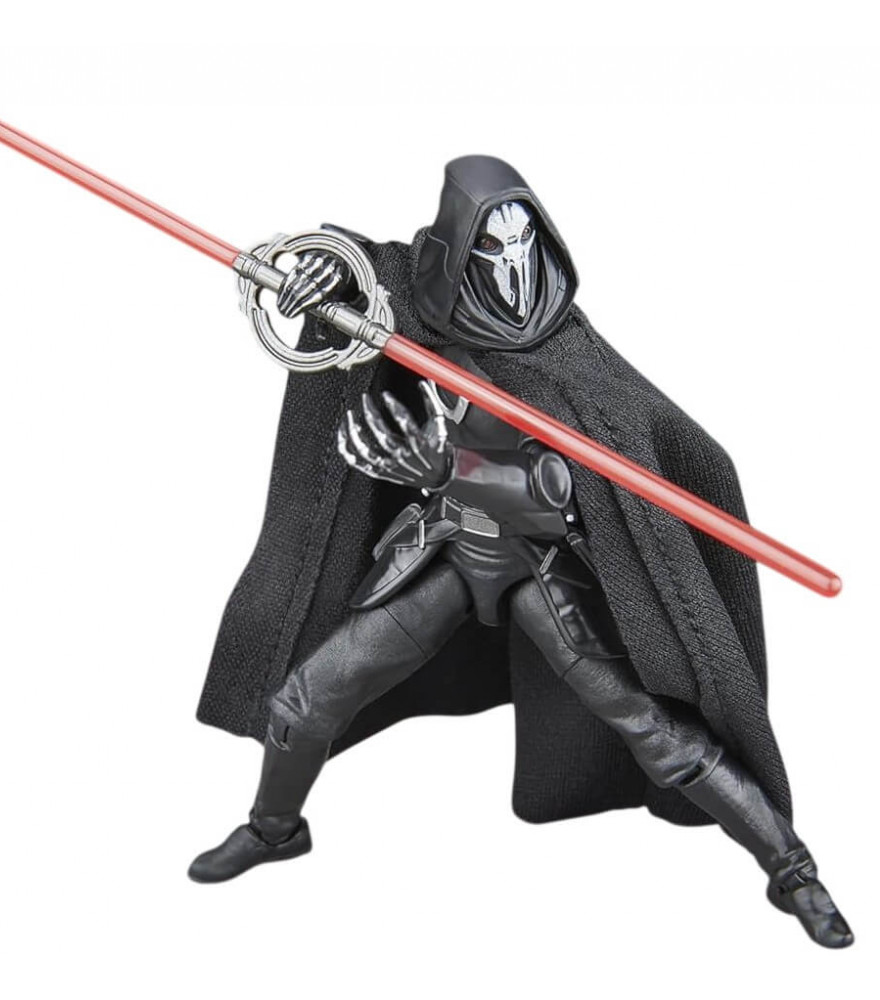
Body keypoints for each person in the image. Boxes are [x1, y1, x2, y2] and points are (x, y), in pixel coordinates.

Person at [190, 156, 852, 948]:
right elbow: (357, 267)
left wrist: (449, 468)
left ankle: (792, 870)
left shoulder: (562, 341)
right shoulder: (416, 300)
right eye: (491, 247)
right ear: (456, 247)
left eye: (522, 244)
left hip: (538, 562)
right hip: (445, 545)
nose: (511, 267)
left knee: (654, 729)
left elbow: (564, 490)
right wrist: (317, 276)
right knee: (307, 698)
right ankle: (274, 829)